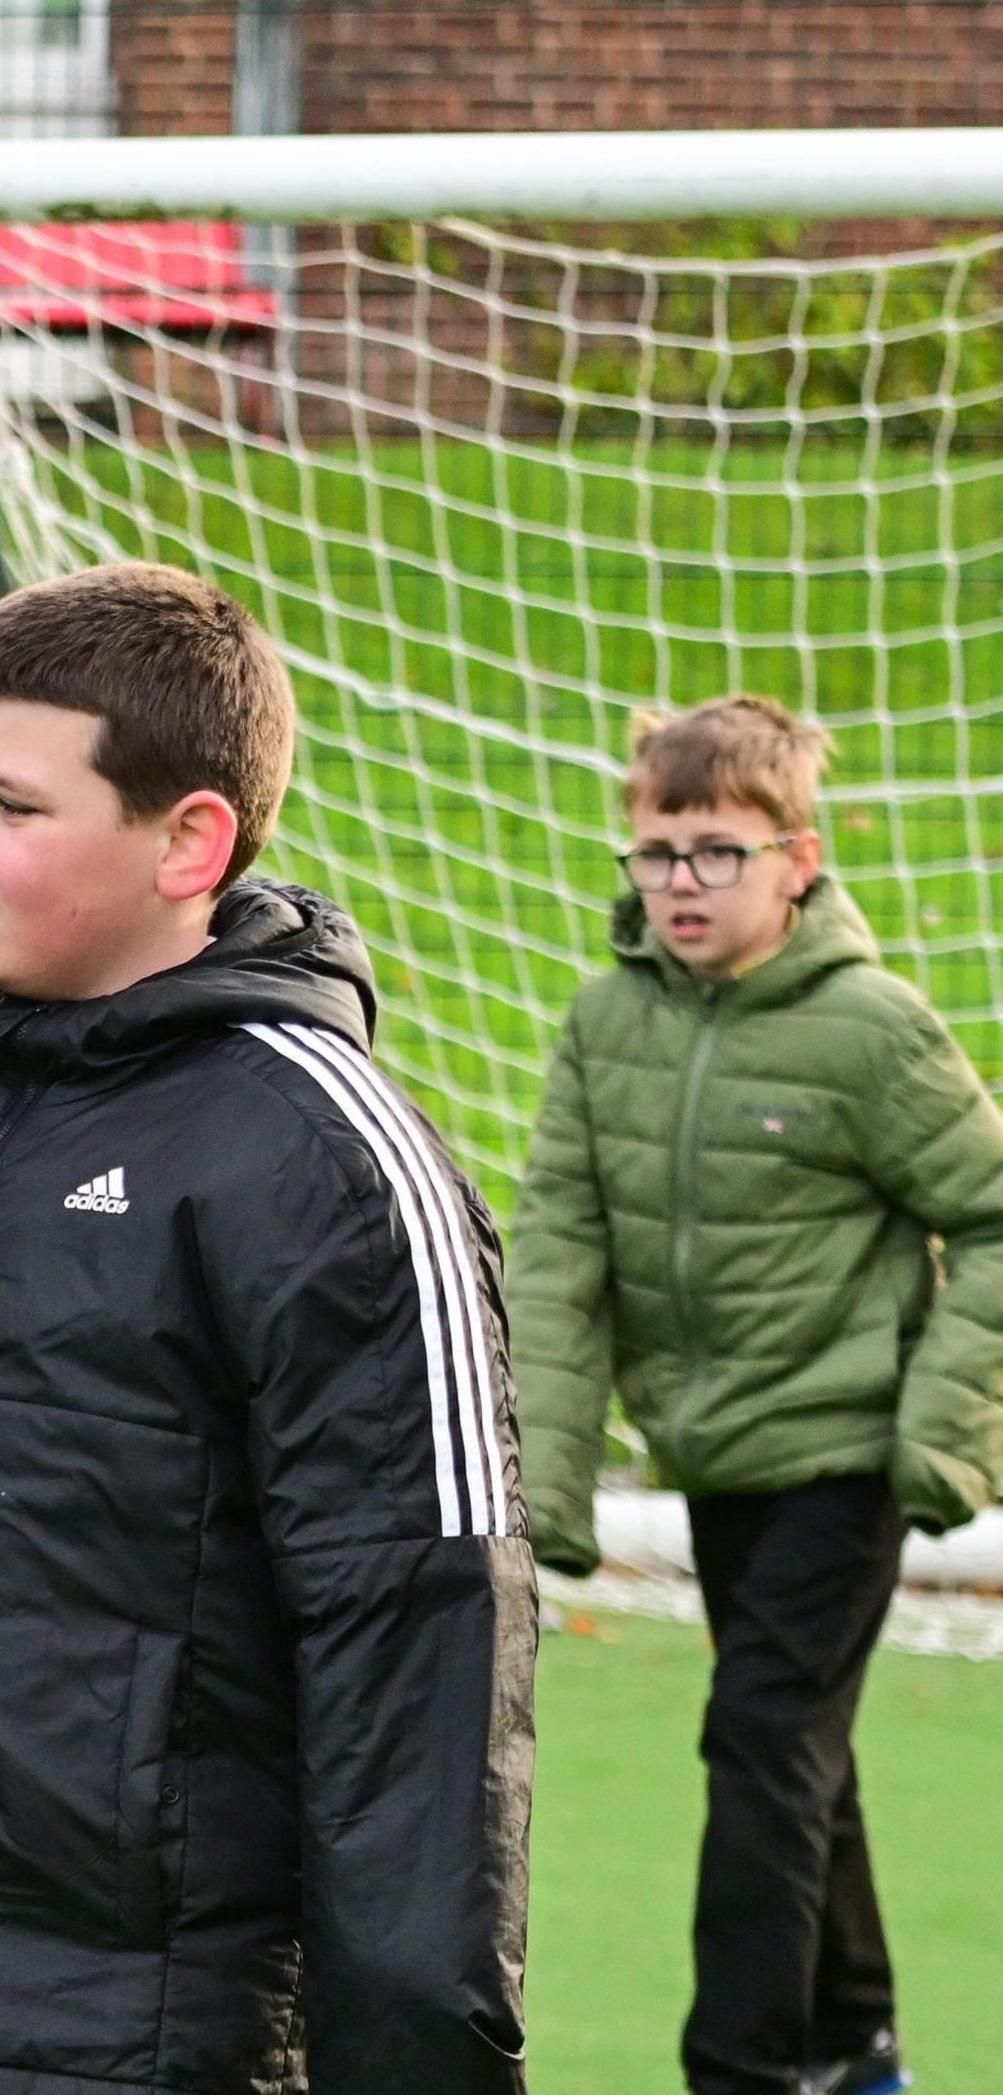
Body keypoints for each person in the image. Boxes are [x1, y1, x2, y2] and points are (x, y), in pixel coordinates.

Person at [0, 562, 535, 2094]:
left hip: (164, 2047)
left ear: (189, 840)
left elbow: (419, 1664)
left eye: (15, 806)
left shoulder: (326, 1159)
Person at [511, 694, 1003, 2095]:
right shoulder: (604, 1027)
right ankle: (857, 2044)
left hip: (846, 1458)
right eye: (656, 851)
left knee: (762, 1749)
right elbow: (561, 1246)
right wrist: (548, 1475)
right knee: (801, 1756)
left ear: (801, 858)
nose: (680, 882)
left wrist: (942, 1422)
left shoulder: (872, 1032)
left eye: (718, 852)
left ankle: (740, 2071)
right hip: (712, 1454)